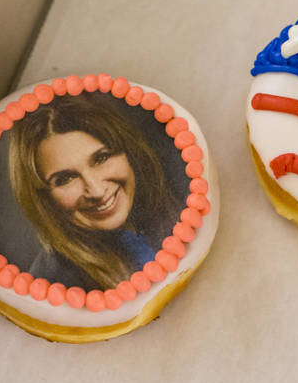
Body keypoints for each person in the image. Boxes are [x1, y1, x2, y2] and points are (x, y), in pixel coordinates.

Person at [9, 93, 181, 291]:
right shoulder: (54, 283)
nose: (97, 191)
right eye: (65, 179)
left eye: (101, 158)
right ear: (43, 198)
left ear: (128, 153)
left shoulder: (174, 210)